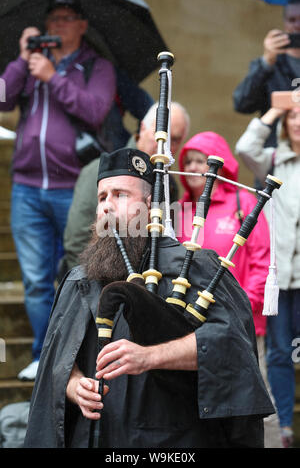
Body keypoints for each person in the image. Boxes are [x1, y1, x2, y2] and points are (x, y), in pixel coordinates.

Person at [24, 147, 275, 448]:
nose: (106, 207)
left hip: (172, 442)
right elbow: (57, 359)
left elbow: (230, 345)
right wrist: (75, 384)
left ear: (149, 206)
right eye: (102, 197)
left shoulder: (197, 269)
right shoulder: (79, 280)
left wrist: (150, 356)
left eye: (120, 195)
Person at [0, 0, 116, 381]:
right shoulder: (31, 64)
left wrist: (53, 77)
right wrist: (22, 59)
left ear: (82, 25)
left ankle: (75, 353)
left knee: (77, 273)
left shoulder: (96, 67)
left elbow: (96, 110)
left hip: (73, 188)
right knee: (35, 281)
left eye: (66, 18)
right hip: (27, 188)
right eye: (53, 19)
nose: (58, 24)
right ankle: (41, 353)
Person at [176, 131, 282, 448]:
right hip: (191, 318)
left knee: (250, 389)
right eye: (189, 161)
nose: (195, 167)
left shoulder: (244, 202)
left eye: (201, 160)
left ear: (219, 166)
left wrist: (244, 306)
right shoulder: (181, 209)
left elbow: (262, 258)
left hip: (240, 318)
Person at [235, 105, 300, 448]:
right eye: (294, 116)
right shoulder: (273, 158)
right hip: (282, 276)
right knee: (278, 353)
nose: (299, 121)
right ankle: (286, 426)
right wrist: (274, 111)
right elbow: (245, 147)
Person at [63, 101, 190, 271]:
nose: (164, 146)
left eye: (173, 140)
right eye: (160, 136)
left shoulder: (169, 185)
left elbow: (165, 241)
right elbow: (76, 241)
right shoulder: (101, 171)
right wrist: (89, 289)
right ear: (143, 127)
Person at [233, 0, 300, 148]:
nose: (297, 25)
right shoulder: (269, 65)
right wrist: (266, 62)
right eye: (292, 20)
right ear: (284, 23)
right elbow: (242, 104)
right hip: (274, 153)